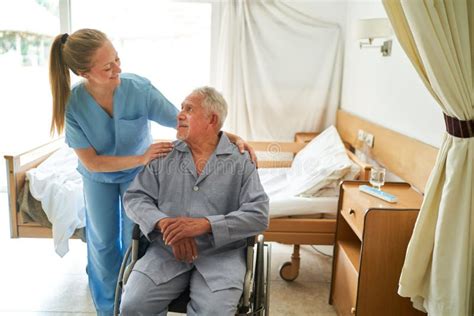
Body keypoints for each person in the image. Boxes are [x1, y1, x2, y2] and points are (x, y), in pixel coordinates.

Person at [49, 29, 257, 316]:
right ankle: (109, 310)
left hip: (137, 174)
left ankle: (142, 298)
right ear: (85, 73)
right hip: (99, 177)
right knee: (102, 244)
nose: (118, 69)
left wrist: (228, 137)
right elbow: (93, 162)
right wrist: (142, 156)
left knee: (136, 241)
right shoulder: (74, 105)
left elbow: (182, 121)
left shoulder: (137, 89)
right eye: (108, 67)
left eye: (117, 60)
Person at [120, 86, 269, 315]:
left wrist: (206, 225)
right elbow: (135, 198)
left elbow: (258, 214)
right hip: (166, 251)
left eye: (188, 109)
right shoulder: (164, 155)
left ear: (212, 119)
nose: (179, 114)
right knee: (132, 306)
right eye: (181, 107)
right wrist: (166, 225)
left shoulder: (240, 161)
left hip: (221, 256)